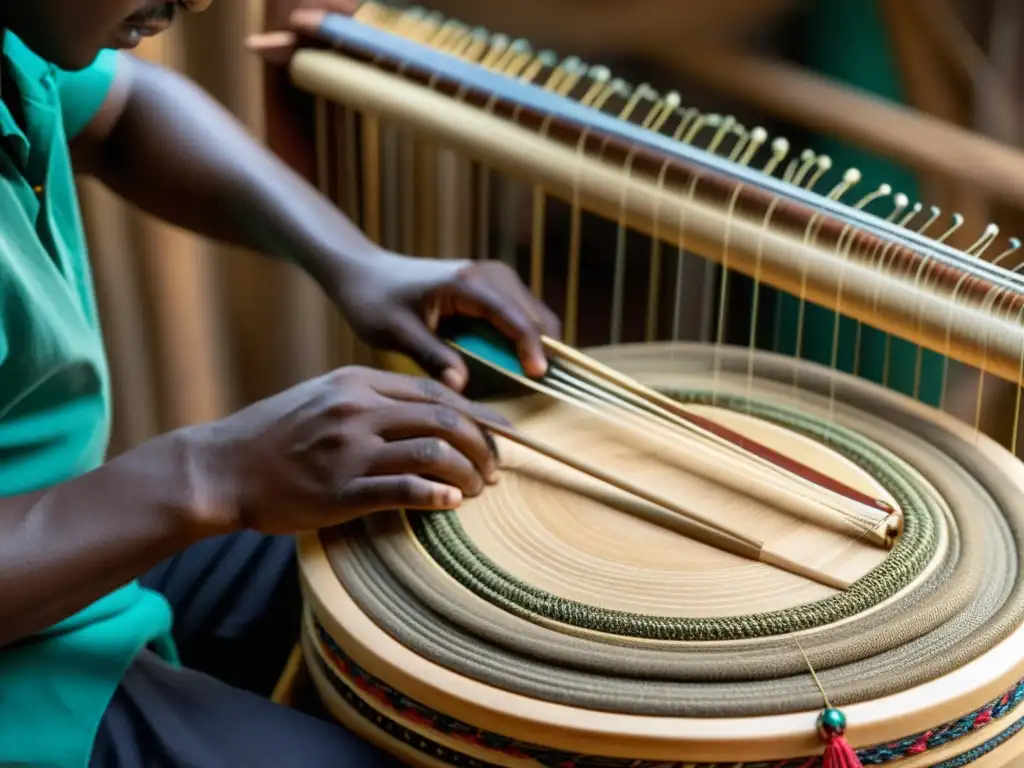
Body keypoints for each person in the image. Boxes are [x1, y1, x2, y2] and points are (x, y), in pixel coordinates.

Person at [0, 0, 560, 765]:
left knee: (455, 561)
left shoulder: (21, 40)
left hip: (69, 562)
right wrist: (214, 471)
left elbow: (122, 105)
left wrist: (355, 260)